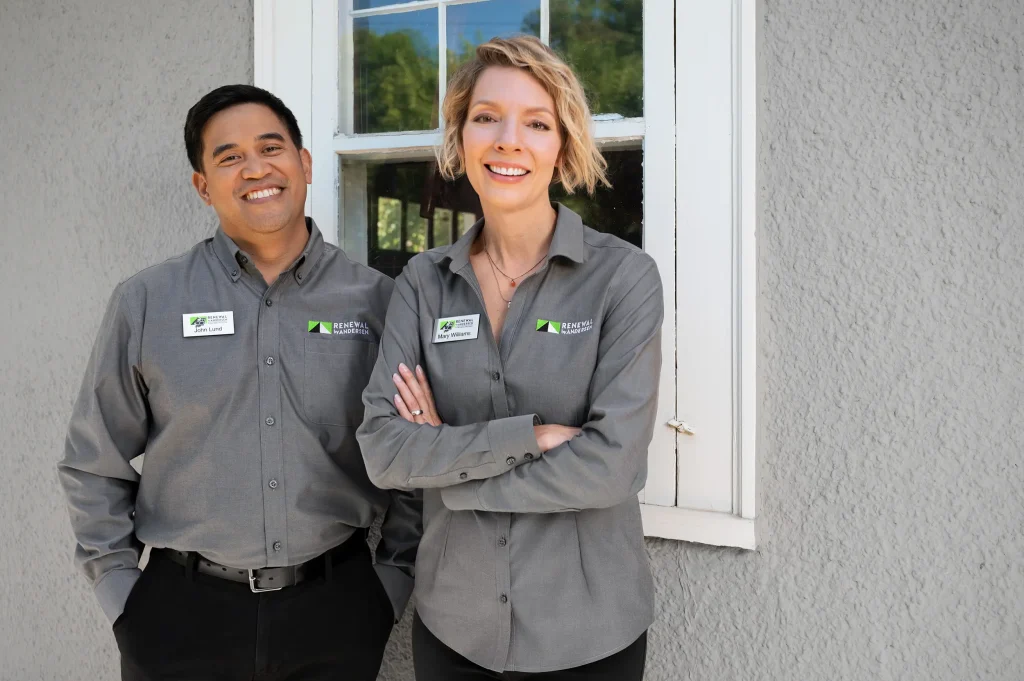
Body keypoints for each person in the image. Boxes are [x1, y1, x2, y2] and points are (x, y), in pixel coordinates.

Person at [57, 84, 419, 681]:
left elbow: (414, 457)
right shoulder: (147, 302)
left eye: (271, 147)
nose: (256, 168)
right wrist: (125, 601)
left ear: (303, 164)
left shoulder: (378, 302)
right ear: (204, 184)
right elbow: (93, 463)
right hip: (178, 616)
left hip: (337, 610)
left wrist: (390, 584)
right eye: (228, 156)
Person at [357, 36, 662, 680]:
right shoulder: (422, 281)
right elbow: (385, 450)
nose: (508, 139)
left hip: (588, 634)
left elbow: (611, 466)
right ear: (461, 134)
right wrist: (535, 438)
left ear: (563, 144)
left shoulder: (624, 278)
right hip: (454, 627)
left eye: (537, 122)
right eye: (487, 116)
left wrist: (449, 464)